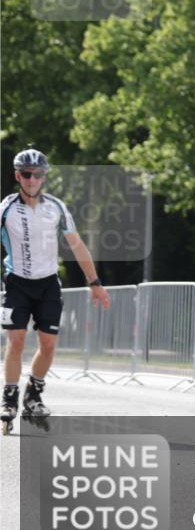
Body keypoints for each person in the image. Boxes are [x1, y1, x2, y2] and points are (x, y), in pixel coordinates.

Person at [1, 147, 111, 434]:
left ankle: (33, 395)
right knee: (16, 341)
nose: (31, 179)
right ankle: (9, 397)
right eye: (26, 174)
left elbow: (77, 245)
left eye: (37, 174)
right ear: (18, 176)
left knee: (48, 344)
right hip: (16, 282)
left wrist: (95, 282)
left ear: (44, 177)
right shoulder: (7, 209)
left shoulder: (57, 208)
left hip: (48, 283)